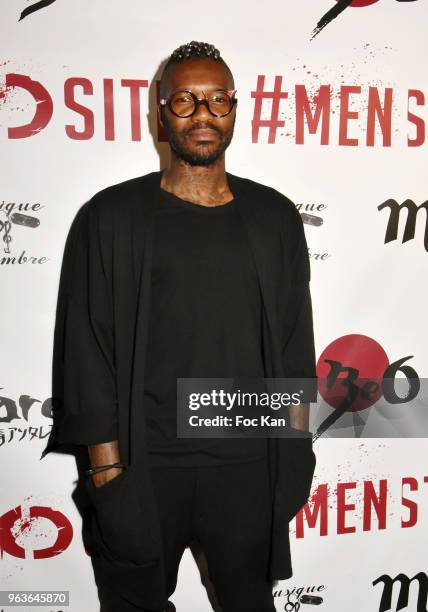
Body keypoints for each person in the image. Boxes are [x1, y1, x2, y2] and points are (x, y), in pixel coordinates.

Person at [41, 41, 318, 612]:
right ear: (160, 111)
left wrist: (292, 455)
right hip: (143, 468)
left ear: (236, 109)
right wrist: (108, 472)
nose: (203, 115)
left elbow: (295, 344)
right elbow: (86, 354)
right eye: (186, 101)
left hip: (247, 465)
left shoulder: (274, 217)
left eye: (219, 101)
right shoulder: (111, 217)